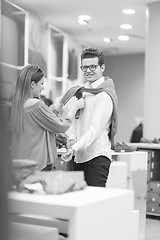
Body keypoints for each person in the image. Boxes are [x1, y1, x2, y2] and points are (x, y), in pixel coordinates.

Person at [10, 64, 84, 171]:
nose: (43, 87)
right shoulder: (36, 105)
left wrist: (65, 99)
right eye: (42, 83)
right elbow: (60, 125)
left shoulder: (18, 105)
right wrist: (75, 107)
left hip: (24, 164)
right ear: (32, 84)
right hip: (39, 164)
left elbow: (46, 116)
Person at [62, 48, 118, 187]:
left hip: (97, 157)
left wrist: (74, 147)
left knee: (95, 203)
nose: (88, 70)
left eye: (92, 66)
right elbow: (73, 120)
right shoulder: (82, 91)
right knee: (80, 202)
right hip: (79, 156)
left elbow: (94, 130)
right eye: (84, 67)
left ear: (102, 67)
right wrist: (72, 139)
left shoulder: (104, 95)